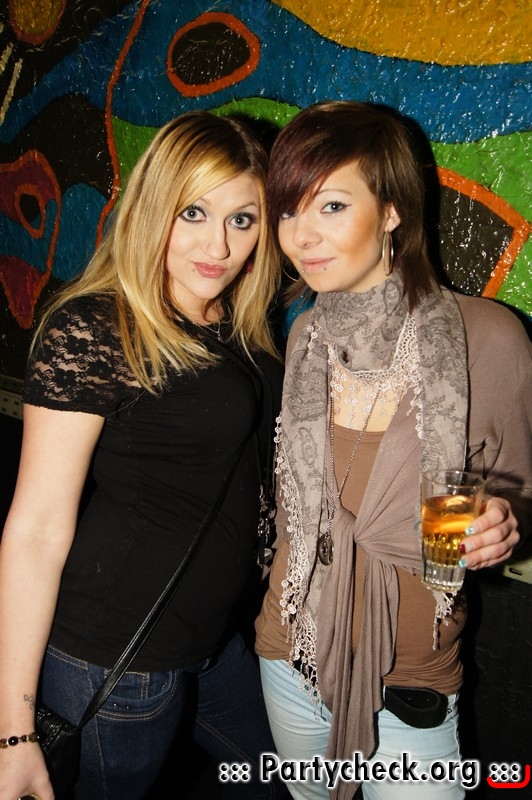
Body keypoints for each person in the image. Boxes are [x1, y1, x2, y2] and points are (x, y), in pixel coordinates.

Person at [0, 110, 287, 800]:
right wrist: (12, 730)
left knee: (279, 780)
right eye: (193, 213)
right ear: (154, 208)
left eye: (242, 219)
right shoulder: (96, 329)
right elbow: (36, 528)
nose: (219, 244)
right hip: (117, 657)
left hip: (212, 639)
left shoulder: (236, 320)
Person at [255, 101, 532, 800]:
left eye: (332, 206)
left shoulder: (487, 338)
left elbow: (517, 488)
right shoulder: (305, 336)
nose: (301, 237)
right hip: (289, 651)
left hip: (413, 674)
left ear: (391, 212)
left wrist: (506, 520)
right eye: (288, 212)